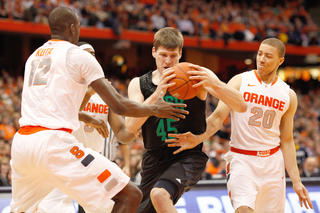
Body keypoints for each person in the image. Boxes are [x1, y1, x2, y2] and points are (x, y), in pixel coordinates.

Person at [10, 6, 189, 213]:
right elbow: (119, 105)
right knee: (131, 195)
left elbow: (51, 106)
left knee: (22, 210)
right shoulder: (77, 55)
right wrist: (155, 109)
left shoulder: (34, 57)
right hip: (54, 144)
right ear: (72, 28)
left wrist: (88, 117)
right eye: (78, 25)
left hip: (23, 143)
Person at [165, 38, 313, 212]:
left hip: (273, 163)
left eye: (268, 56)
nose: (262, 59)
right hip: (242, 159)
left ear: (280, 61)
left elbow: (287, 140)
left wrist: (296, 181)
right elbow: (217, 117)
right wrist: (198, 138)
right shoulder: (240, 81)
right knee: (243, 209)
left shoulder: (289, 95)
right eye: (260, 54)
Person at [125, 27, 247, 213]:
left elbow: (241, 105)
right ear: (153, 52)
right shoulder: (139, 84)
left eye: (173, 55)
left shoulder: (195, 75)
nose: (168, 61)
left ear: (180, 53)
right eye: (163, 54)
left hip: (188, 155)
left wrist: (214, 83)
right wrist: (158, 94)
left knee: (159, 194)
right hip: (154, 158)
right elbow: (130, 125)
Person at [36, 42, 136, 213]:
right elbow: (64, 115)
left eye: (93, 55)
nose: (90, 59)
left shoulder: (107, 92)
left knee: (121, 202)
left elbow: (121, 134)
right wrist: (88, 94)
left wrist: (136, 127)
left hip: (92, 165)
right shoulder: (63, 88)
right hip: (64, 162)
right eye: (86, 55)